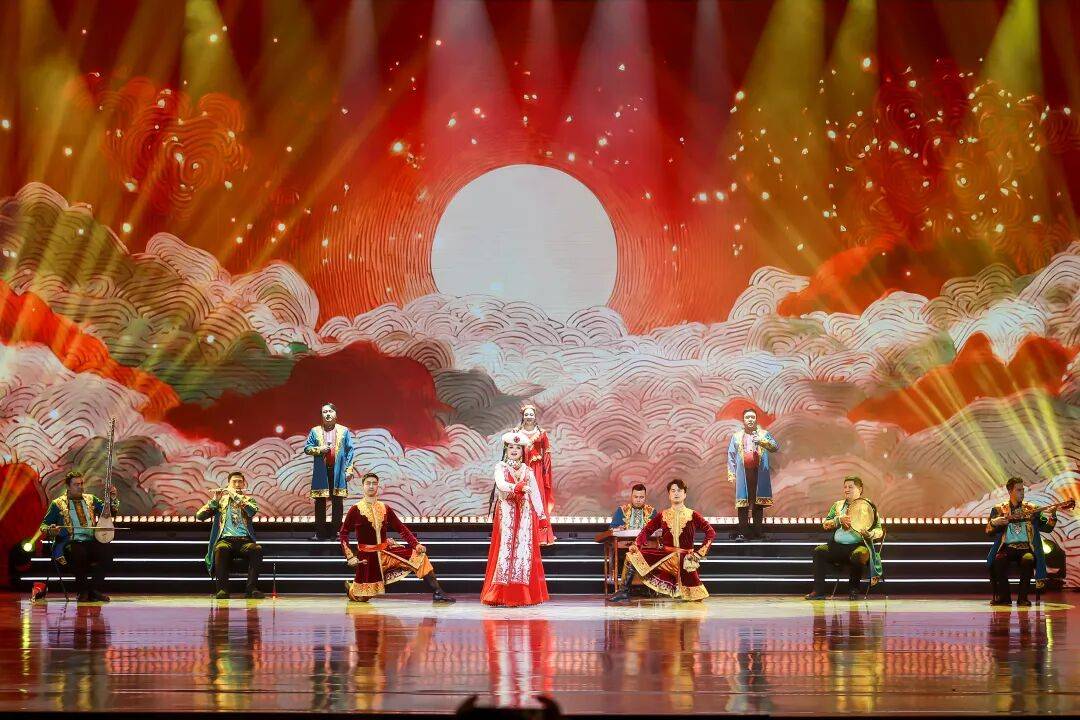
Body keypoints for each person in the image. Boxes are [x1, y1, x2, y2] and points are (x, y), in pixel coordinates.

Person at [339, 472, 455, 603]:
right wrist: (350, 556)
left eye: (374, 483)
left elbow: (401, 528)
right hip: (368, 558)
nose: (371, 486)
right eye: (368, 483)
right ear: (363, 486)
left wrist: (416, 544)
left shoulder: (385, 508)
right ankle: (351, 590)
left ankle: (438, 592)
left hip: (386, 553)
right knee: (361, 598)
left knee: (420, 557)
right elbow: (343, 533)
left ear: (378, 486)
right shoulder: (355, 509)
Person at [608, 478, 716, 603]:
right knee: (632, 556)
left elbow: (711, 532)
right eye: (673, 491)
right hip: (666, 556)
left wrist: (698, 554)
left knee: (695, 598)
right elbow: (647, 530)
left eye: (679, 491)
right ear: (669, 495)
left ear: (685, 494)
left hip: (686, 559)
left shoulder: (693, 515)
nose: (676, 493)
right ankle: (624, 591)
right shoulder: (663, 514)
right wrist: (636, 544)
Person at [481, 431, 551, 606]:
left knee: (522, 552)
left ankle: (521, 595)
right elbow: (501, 484)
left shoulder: (527, 471)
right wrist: (517, 487)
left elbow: (535, 494)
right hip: (506, 512)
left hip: (525, 514)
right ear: (506, 449)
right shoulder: (501, 467)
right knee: (505, 549)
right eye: (511, 447)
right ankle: (499, 594)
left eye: (517, 448)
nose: (514, 450)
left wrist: (542, 516)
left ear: (522, 451)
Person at [39, 471, 120, 602]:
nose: (80, 487)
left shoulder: (91, 499)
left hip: (90, 541)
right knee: (78, 553)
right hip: (69, 542)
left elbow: (109, 513)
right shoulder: (57, 503)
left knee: (107, 553)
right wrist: (51, 530)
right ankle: (84, 591)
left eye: (81, 484)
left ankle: (92, 590)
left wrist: (112, 498)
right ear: (68, 486)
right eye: (76, 484)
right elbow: (44, 525)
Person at [804, 476, 884, 601]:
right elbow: (825, 524)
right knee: (819, 551)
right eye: (845, 487)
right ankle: (819, 591)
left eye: (850, 487)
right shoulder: (838, 505)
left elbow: (879, 530)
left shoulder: (868, 507)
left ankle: (853, 589)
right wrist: (838, 520)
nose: (847, 490)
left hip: (858, 546)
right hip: (836, 547)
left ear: (860, 489)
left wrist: (870, 534)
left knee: (858, 555)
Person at [986, 477, 1058, 607]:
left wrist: (1053, 515)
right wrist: (994, 523)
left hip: (1026, 548)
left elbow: (1047, 528)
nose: (1022, 493)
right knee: (998, 560)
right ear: (1010, 491)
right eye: (1018, 490)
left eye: (1023, 490)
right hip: (1007, 548)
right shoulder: (999, 510)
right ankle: (1004, 597)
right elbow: (989, 531)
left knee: (1028, 559)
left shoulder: (1032, 510)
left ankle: (1022, 598)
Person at [196, 471, 263, 599]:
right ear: (228, 484)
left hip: (244, 541)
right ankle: (222, 590)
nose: (237, 484)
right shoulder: (221, 501)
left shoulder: (249, 500)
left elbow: (251, 511)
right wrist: (214, 500)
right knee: (220, 548)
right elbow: (200, 516)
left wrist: (235, 496)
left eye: (240, 482)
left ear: (244, 484)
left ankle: (251, 589)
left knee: (257, 549)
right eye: (234, 482)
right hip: (225, 540)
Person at [304, 403, 355, 540]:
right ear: (321, 415)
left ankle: (336, 533)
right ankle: (320, 533)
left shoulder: (344, 431)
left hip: (338, 472)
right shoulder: (315, 431)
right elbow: (307, 448)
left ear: (335, 414)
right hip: (321, 472)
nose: (327, 414)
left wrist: (349, 469)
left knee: (337, 502)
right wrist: (319, 449)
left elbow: (350, 450)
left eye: (330, 411)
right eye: (324, 412)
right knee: (320, 502)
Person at [726, 408, 779, 541]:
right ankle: (744, 532)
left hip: (759, 473)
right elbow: (731, 455)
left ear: (756, 419)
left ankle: (758, 532)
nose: (750, 420)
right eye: (747, 417)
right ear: (743, 420)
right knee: (743, 503)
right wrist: (732, 474)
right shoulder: (737, 436)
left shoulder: (763, 434)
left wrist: (761, 441)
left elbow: (775, 447)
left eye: (752, 417)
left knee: (758, 503)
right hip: (743, 473)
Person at [515, 404, 556, 545]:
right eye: (526, 414)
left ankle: (540, 536)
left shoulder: (541, 433)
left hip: (536, 469)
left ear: (535, 416)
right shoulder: (516, 432)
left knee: (536, 497)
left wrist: (546, 472)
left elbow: (547, 454)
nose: (529, 417)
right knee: (521, 495)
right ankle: (520, 533)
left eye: (531, 414)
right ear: (523, 416)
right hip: (521, 467)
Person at [609, 483, 658, 591]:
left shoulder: (652, 511)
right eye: (636, 497)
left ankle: (648, 587)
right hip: (625, 546)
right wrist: (618, 528)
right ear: (631, 496)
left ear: (645, 497)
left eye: (641, 497)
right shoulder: (622, 510)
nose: (638, 500)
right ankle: (624, 588)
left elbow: (658, 529)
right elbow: (612, 528)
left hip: (646, 546)